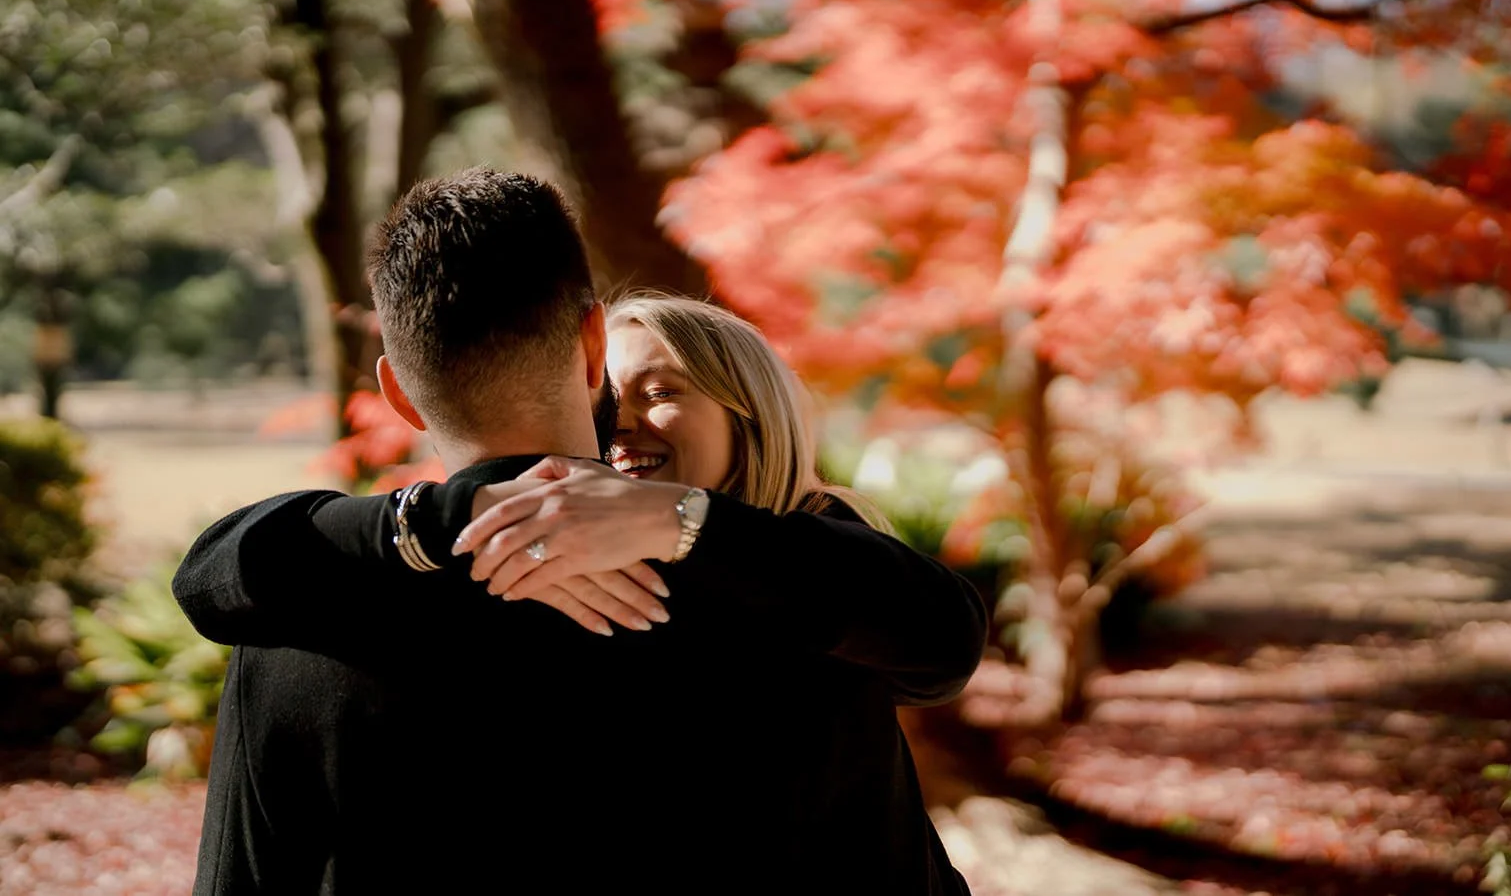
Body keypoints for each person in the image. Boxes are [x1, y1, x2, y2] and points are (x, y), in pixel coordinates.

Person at [175, 167, 986, 894]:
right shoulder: (801, 610)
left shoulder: (296, 623)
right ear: (593, 346)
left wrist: (432, 522)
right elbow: (943, 636)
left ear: (398, 393)